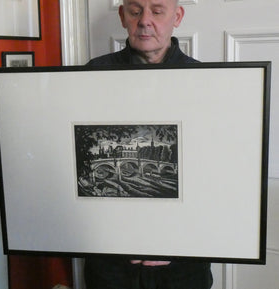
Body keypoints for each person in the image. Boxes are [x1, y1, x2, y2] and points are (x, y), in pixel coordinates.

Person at [85, 0, 213, 288]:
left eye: (157, 11)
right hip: (109, 261)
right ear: (122, 16)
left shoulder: (206, 82)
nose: (145, 20)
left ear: (177, 16)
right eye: (135, 10)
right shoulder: (92, 75)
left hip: (185, 262)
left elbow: (215, 175)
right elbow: (80, 166)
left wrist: (182, 242)